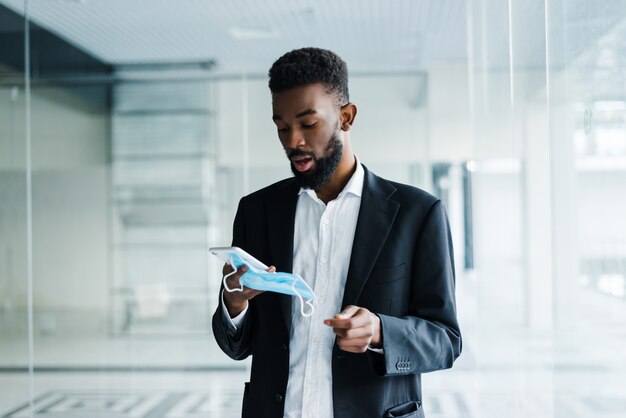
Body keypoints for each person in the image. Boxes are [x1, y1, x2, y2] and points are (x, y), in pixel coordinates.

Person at [212, 47, 461, 418]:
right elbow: (238, 346)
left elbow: (445, 340)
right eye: (282, 126)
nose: (292, 141)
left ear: (346, 117)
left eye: (307, 124)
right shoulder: (257, 211)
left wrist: (380, 331)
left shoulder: (417, 214)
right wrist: (234, 305)